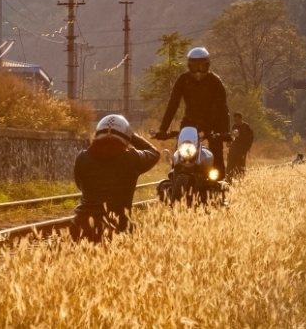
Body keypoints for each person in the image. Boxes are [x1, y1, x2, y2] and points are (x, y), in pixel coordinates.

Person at [71, 114, 160, 243]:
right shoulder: (132, 158)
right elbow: (154, 153)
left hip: (81, 226)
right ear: (126, 137)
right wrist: (132, 136)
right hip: (117, 227)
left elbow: (80, 184)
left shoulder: (82, 157)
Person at [154, 47, 231, 178]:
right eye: (194, 67)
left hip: (213, 122)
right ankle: (176, 176)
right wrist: (162, 129)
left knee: (217, 154)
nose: (198, 71)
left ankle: (218, 185)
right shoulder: (182, 80)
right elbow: (172, 105)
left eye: (202, 66)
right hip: (190, 121)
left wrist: (225, 132)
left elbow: (223, 108)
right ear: (189, 66)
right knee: (180, 152)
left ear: (208, 65)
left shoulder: (215, 81)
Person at [226, 112, 254, 180]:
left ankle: (240, 180)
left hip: (241, 150)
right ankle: (229, 179)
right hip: (234, 149)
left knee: (240, 166)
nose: (236, 122)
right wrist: (229, 142)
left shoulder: (246, 127)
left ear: (241, 119)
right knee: (230, 165)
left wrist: (246, 148)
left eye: (237, 120)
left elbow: (250, 138)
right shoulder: (234, 126)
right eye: (235, 120)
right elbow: (232, 136)